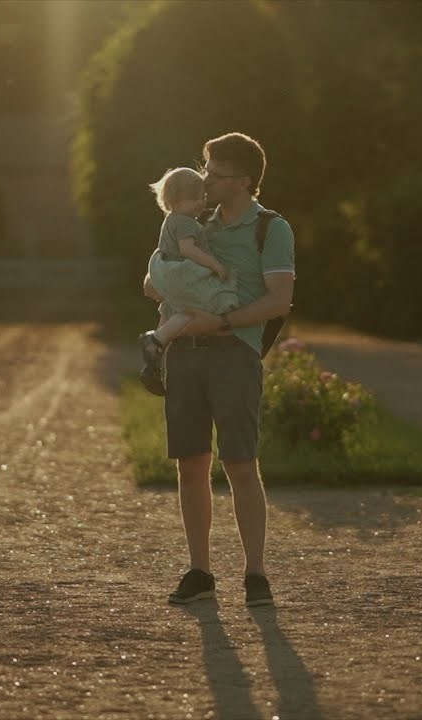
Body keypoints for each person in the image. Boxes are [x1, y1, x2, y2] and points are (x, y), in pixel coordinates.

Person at [142, 132, 295, 607]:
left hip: (234, 353)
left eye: (214, 171)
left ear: (243, 181)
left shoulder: (271, 229)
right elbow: (151, 281)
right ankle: (200, 571)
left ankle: (255, 573)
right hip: (186, 352)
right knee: (191, 464)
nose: (204, 178)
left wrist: (222, 319)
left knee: (240, 464)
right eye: (205, 169)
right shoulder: (192, 222)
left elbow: (279, 301)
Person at [138, 167, 240, 397]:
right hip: (178, 274)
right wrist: (215, 265)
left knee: (169, 313)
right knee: (193, 310)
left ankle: (153, 365)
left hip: (167, 274)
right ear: (175, 200)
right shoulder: (184, 222)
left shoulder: (172, 220)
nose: (200, 203)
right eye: (194, 198)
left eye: (202, 197)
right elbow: (188, 250)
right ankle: (155, 340)